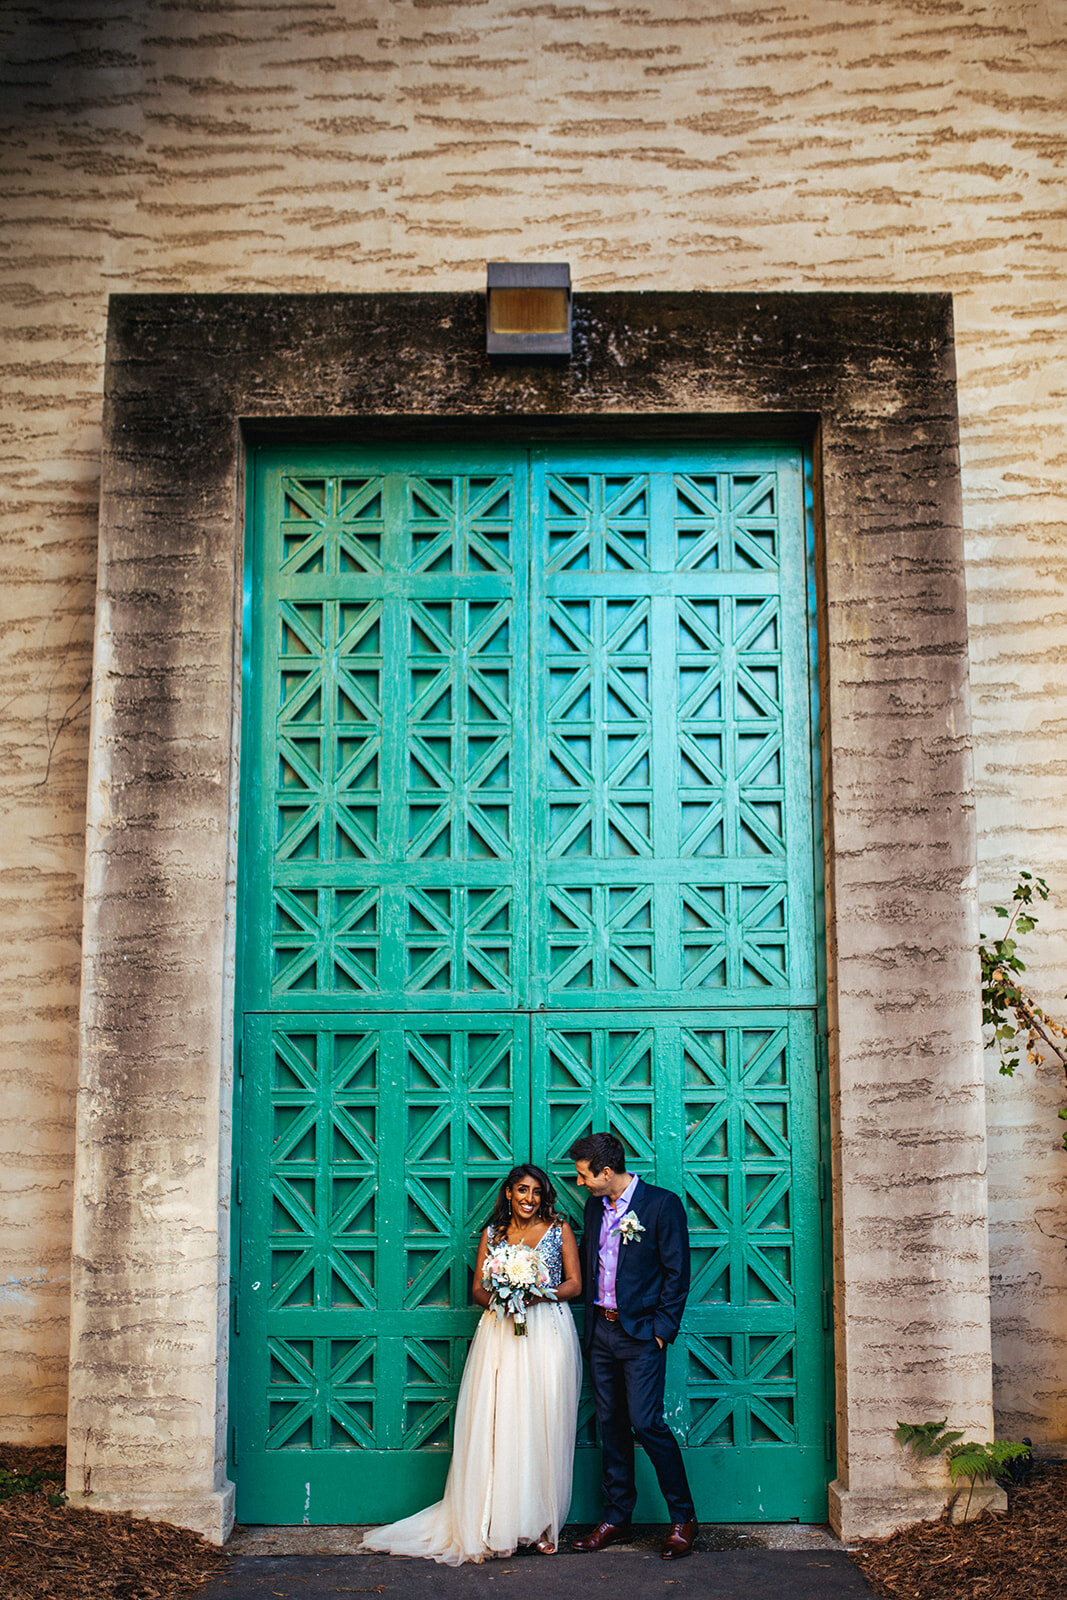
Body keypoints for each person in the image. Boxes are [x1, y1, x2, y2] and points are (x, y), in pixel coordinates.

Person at [361, 1163, 582, 1565]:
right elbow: (477, 1289)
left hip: (547, 1331)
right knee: (501, 1422)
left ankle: (543, 1525)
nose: (529, 1199)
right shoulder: (493, 1234)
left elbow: (575, 1284)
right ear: (509, 1193)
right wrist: (503, 1293)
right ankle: (494, 1521)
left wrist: (538, 1292)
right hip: (501, 1332)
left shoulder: (559, 1228)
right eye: (522, 1191)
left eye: (536, 1192)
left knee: (543, 1422)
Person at [569, 1131, 699, 1561]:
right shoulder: (593, 1207)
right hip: (601, 1333)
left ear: (607, 1172)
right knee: (610, 1425)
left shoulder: (661, 1205)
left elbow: (677, 1274)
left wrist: (661, 1330)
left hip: (641, 1334)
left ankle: (683, 1519)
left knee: (647, 1424)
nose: (580, 1183)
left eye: (584, 1175)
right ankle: (617, 1518)